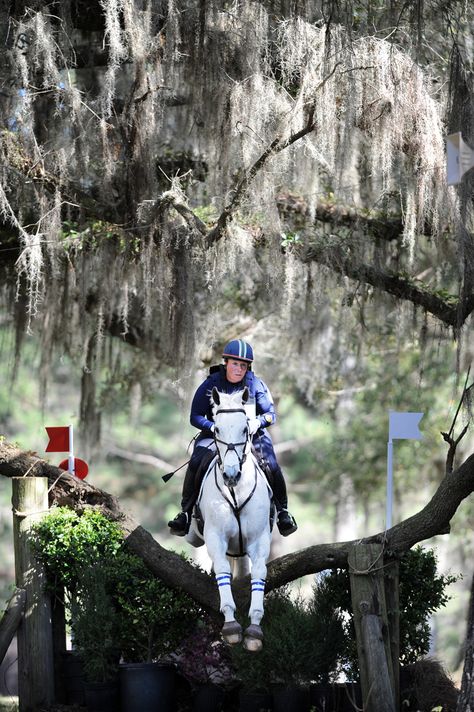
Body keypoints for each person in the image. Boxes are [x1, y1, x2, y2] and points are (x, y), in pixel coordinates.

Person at [168, 339, 298, 537]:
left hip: (251, 436)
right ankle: (185, 513)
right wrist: (213, 427)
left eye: (243, 365)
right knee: (196, 462)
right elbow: (195, 416)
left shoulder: (256, 384)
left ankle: (283, 513)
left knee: (271, 464)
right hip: (215, 436)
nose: (239, 369)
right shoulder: (211, 384)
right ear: (226, 362)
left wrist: (258, 422)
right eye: (235, 364)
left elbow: (270, 414)